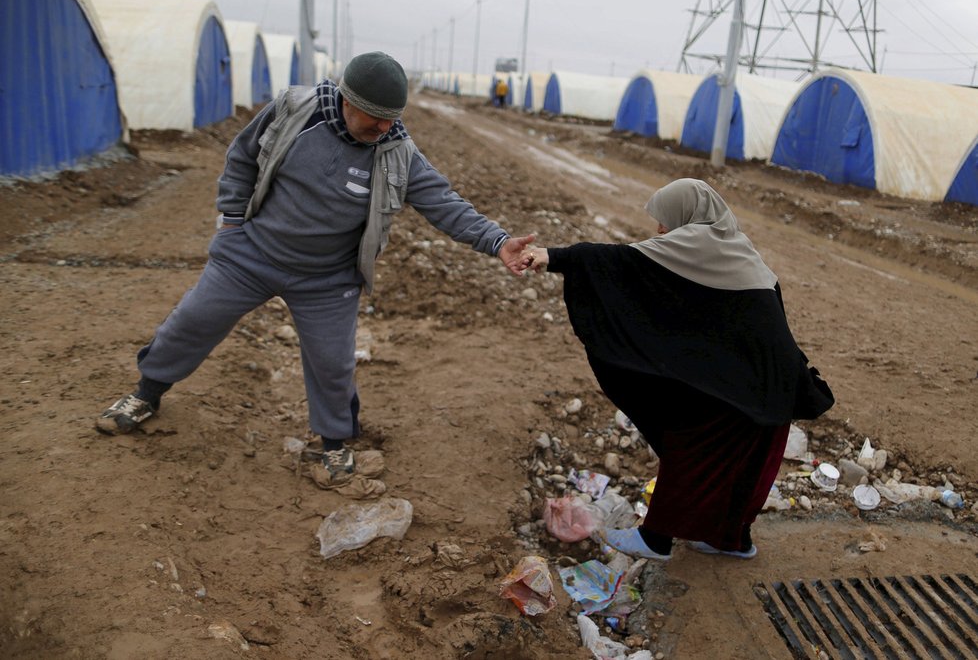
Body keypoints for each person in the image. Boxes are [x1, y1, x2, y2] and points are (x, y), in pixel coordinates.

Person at [97, 51, 535, 479]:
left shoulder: (397, 151)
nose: (384, 127)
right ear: (348, 99)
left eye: (392, 118)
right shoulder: (294, 111)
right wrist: (231, 223)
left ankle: (333, 444)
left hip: (327, 278)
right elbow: (242, 157)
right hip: (251, 255)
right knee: (194, 318)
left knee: (333, 363)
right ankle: (146, 394)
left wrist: (497, 242)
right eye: (373, 116)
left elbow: (445, 204)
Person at [522, 178, 833, 560]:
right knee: (744, 468)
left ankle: (655, 539)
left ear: (689, 215)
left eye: (665, 219)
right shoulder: (737, 248)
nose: (659, 230)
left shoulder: (694, 243)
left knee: (691, 445)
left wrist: (552, 256)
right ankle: (732, 541)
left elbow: (616, 262)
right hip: (772, 388)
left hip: (748, 389)